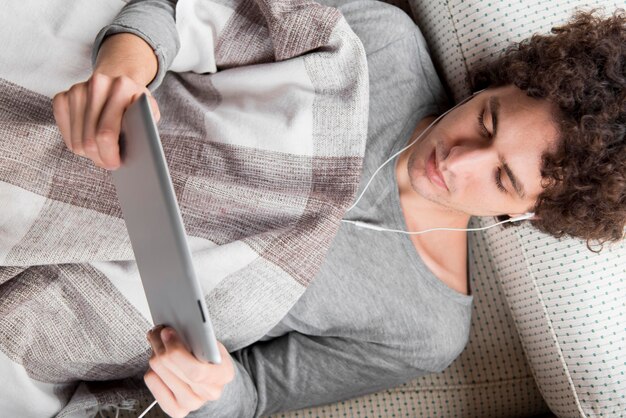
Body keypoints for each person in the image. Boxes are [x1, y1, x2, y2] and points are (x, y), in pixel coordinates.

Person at [52, 1, 626, 417]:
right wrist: (124, 70)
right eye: (488, 121)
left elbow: (253, 395)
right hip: (67, 136)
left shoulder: (425, 330)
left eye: (502, 178)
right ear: (495, 87)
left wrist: (209, 387)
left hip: (82, 311)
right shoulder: (381, 43)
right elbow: (180, 13)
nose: (458, 162)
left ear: (528, 215)